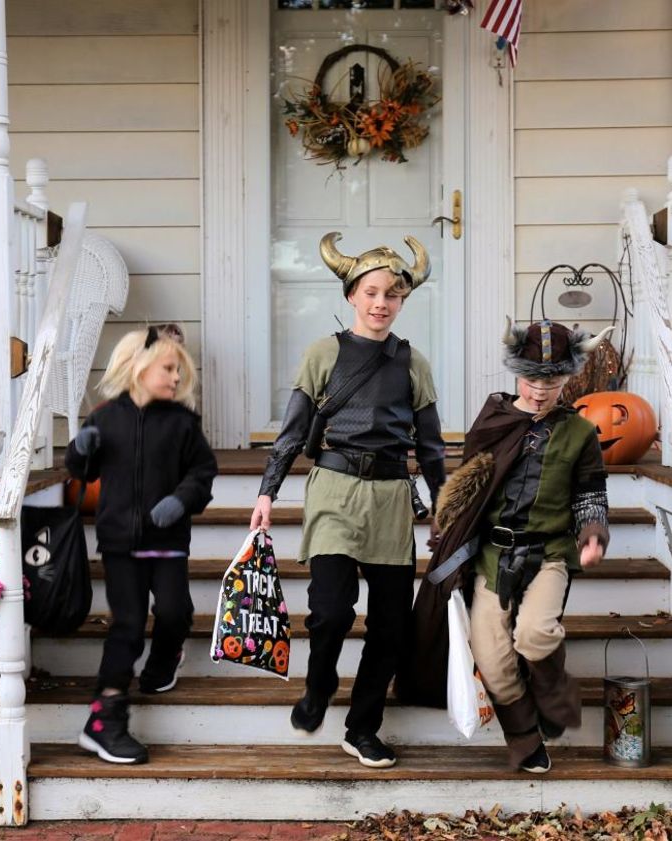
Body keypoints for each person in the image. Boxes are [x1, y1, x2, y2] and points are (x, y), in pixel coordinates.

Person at [249, 232, 446, 769]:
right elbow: (290, 433)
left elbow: (429, 447)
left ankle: (362, 727)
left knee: (390, 625)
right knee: (331, 613)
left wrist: (444, 507)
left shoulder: (413, 364)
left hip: (390, 499)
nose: (382, 303)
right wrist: (267, 492)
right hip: (334, 490)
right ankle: (319, 684)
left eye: (393, 295)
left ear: (403, 300)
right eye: (372, 292)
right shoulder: (323, 354)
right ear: (352, 296)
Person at [416, 318, 613, 773]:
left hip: (549, 554)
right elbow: (469, 484)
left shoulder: (580, 433)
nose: (541, 391)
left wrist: (592, 533)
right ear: (515, 374)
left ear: (568, 378)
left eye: (553, 381)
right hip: (493, 554)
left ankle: (554, 700)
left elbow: (590, 492)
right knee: (492, 657)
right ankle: (525, 738)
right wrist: (448, 526)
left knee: (535, 633)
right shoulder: (494, 420)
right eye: (531, 379)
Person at [66, 324, 218, 764]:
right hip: (120, 543)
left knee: (174, 611)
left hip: (166, 540)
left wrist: (181, 499)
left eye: (178, 371)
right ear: (138, 366)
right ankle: (104, 721)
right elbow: (82, 471)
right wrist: (81, 448)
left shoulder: (183, 424)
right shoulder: (105, 417)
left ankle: (164, 661)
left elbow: (202, 474)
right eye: (168, 368)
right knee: (128, 627)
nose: (175, 378)